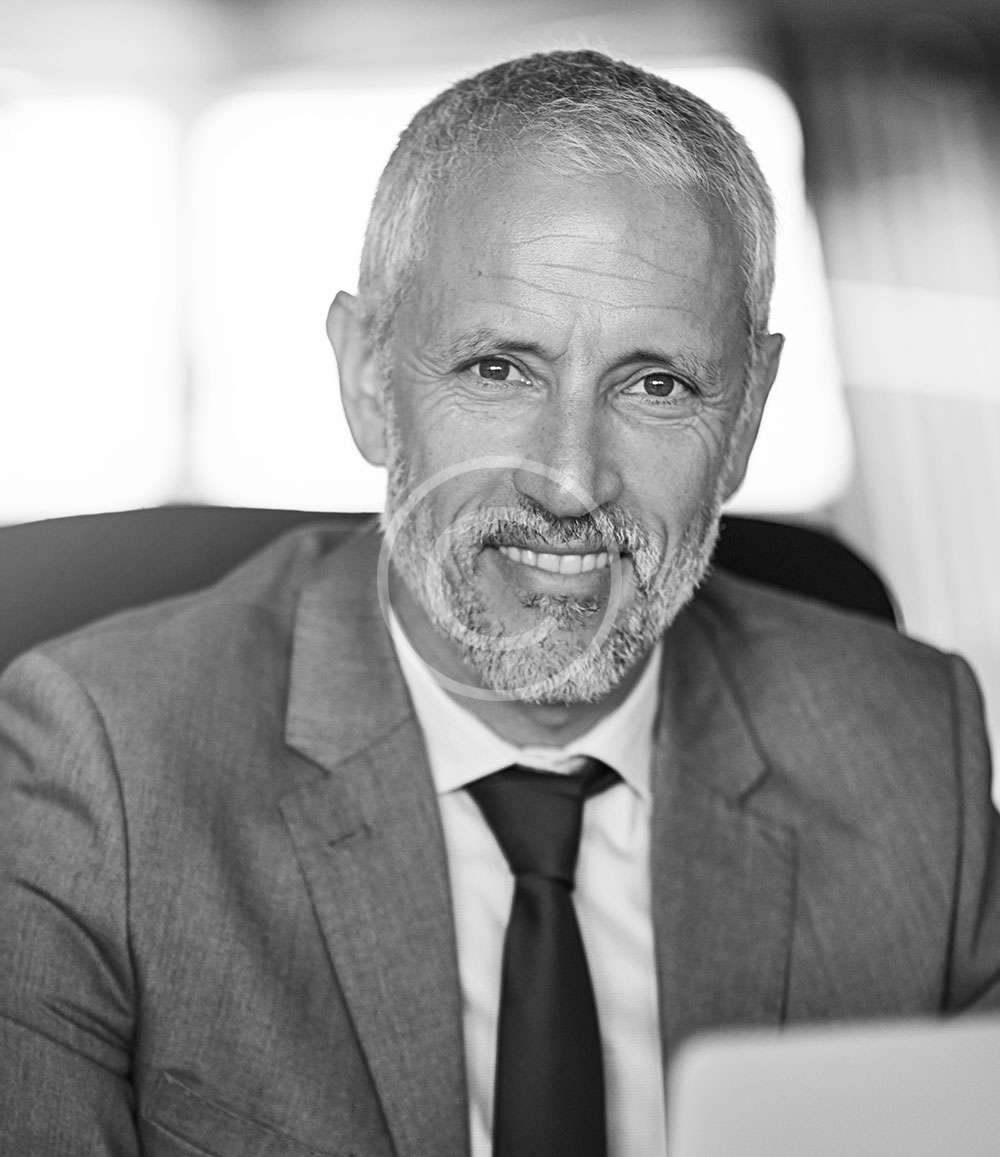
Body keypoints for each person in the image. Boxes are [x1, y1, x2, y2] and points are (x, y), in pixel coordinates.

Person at [1, 49, 997, 1157]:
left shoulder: (917, 750)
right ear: (369, 377)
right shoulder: (97, 769)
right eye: (498, 369)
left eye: (656, 383)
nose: (568, 482)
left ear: (747, 417)